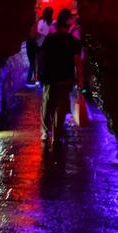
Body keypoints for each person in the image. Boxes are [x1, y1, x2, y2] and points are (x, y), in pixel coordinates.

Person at [38, 8, 82, 144]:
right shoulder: (74, 42)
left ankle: (45, 133)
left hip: (49, 78)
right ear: (68, 23)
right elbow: (78, 63)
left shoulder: (49, 39)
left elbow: (41, 57)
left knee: (47, 105)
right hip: (65, 79)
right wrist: (80, 80)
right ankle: (56, 137)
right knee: (61, 108)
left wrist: (39, 74)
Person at [26, 7, 54, 84]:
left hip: (37, 44)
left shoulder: (43, 21)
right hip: (36, 44)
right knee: (37, 62)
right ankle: (34, 80)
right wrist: (45, 35)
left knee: (36, 62)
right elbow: (37, 32)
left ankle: (35, 79)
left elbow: (37, 32)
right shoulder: (45, 22)